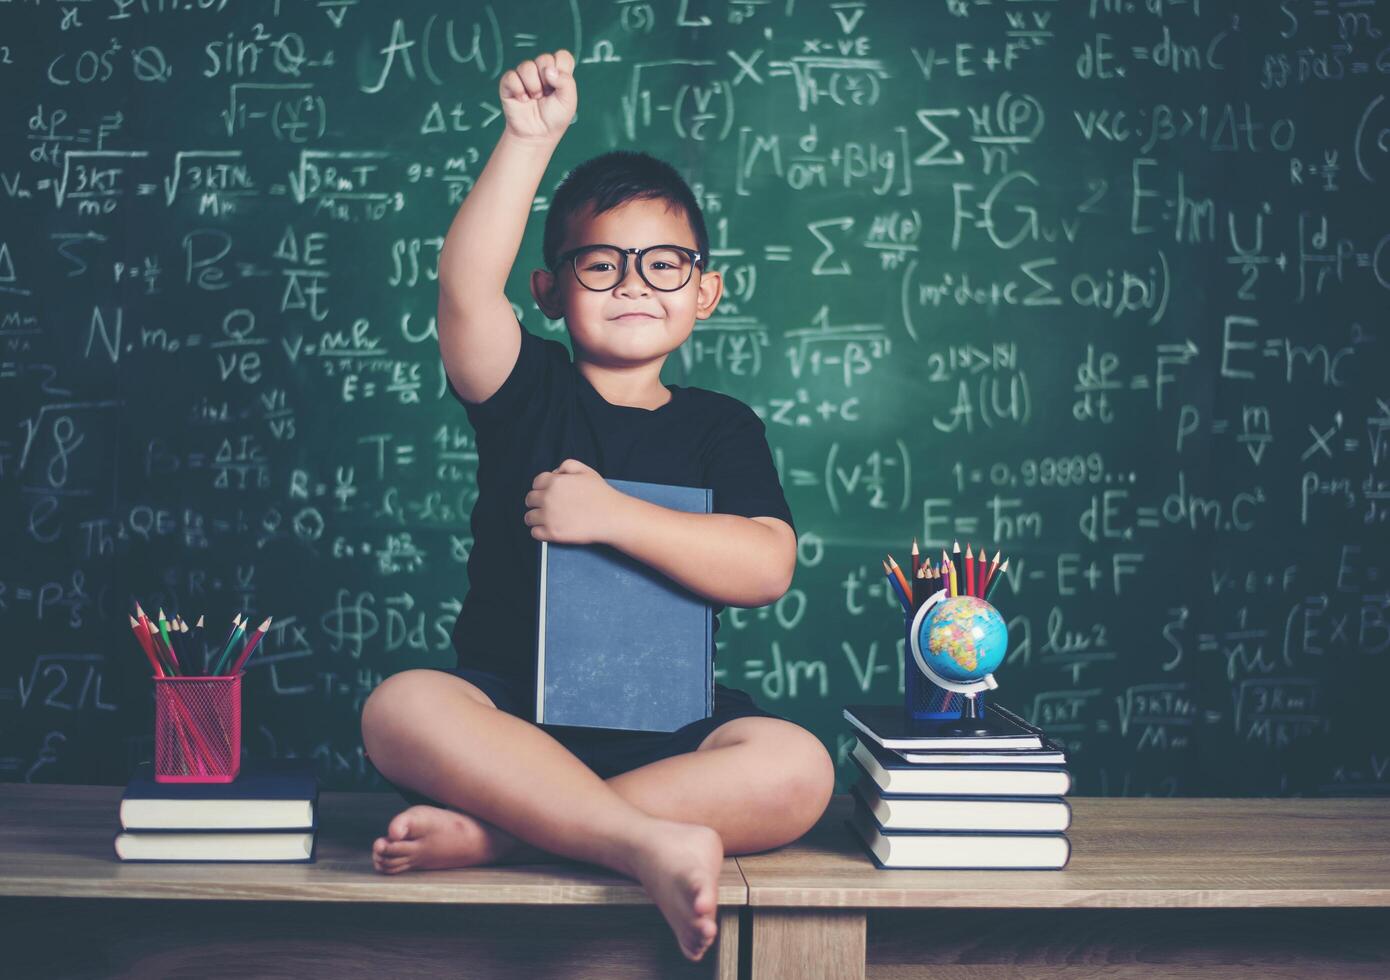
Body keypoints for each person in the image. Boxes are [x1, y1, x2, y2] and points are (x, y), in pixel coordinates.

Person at [359, 48, 834, 964]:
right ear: (548, 290)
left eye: (664, 264)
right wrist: (529, 138)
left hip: (671, 733)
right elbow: (464, 287)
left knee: (797, 768)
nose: (633, 281)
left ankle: (506, 835)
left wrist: (612, 515)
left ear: (705, 292)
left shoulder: (720, 426)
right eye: (600, 261)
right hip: (510, 724)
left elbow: (766, 564)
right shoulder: (525, 389)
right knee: (400, 707)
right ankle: (639, 842)